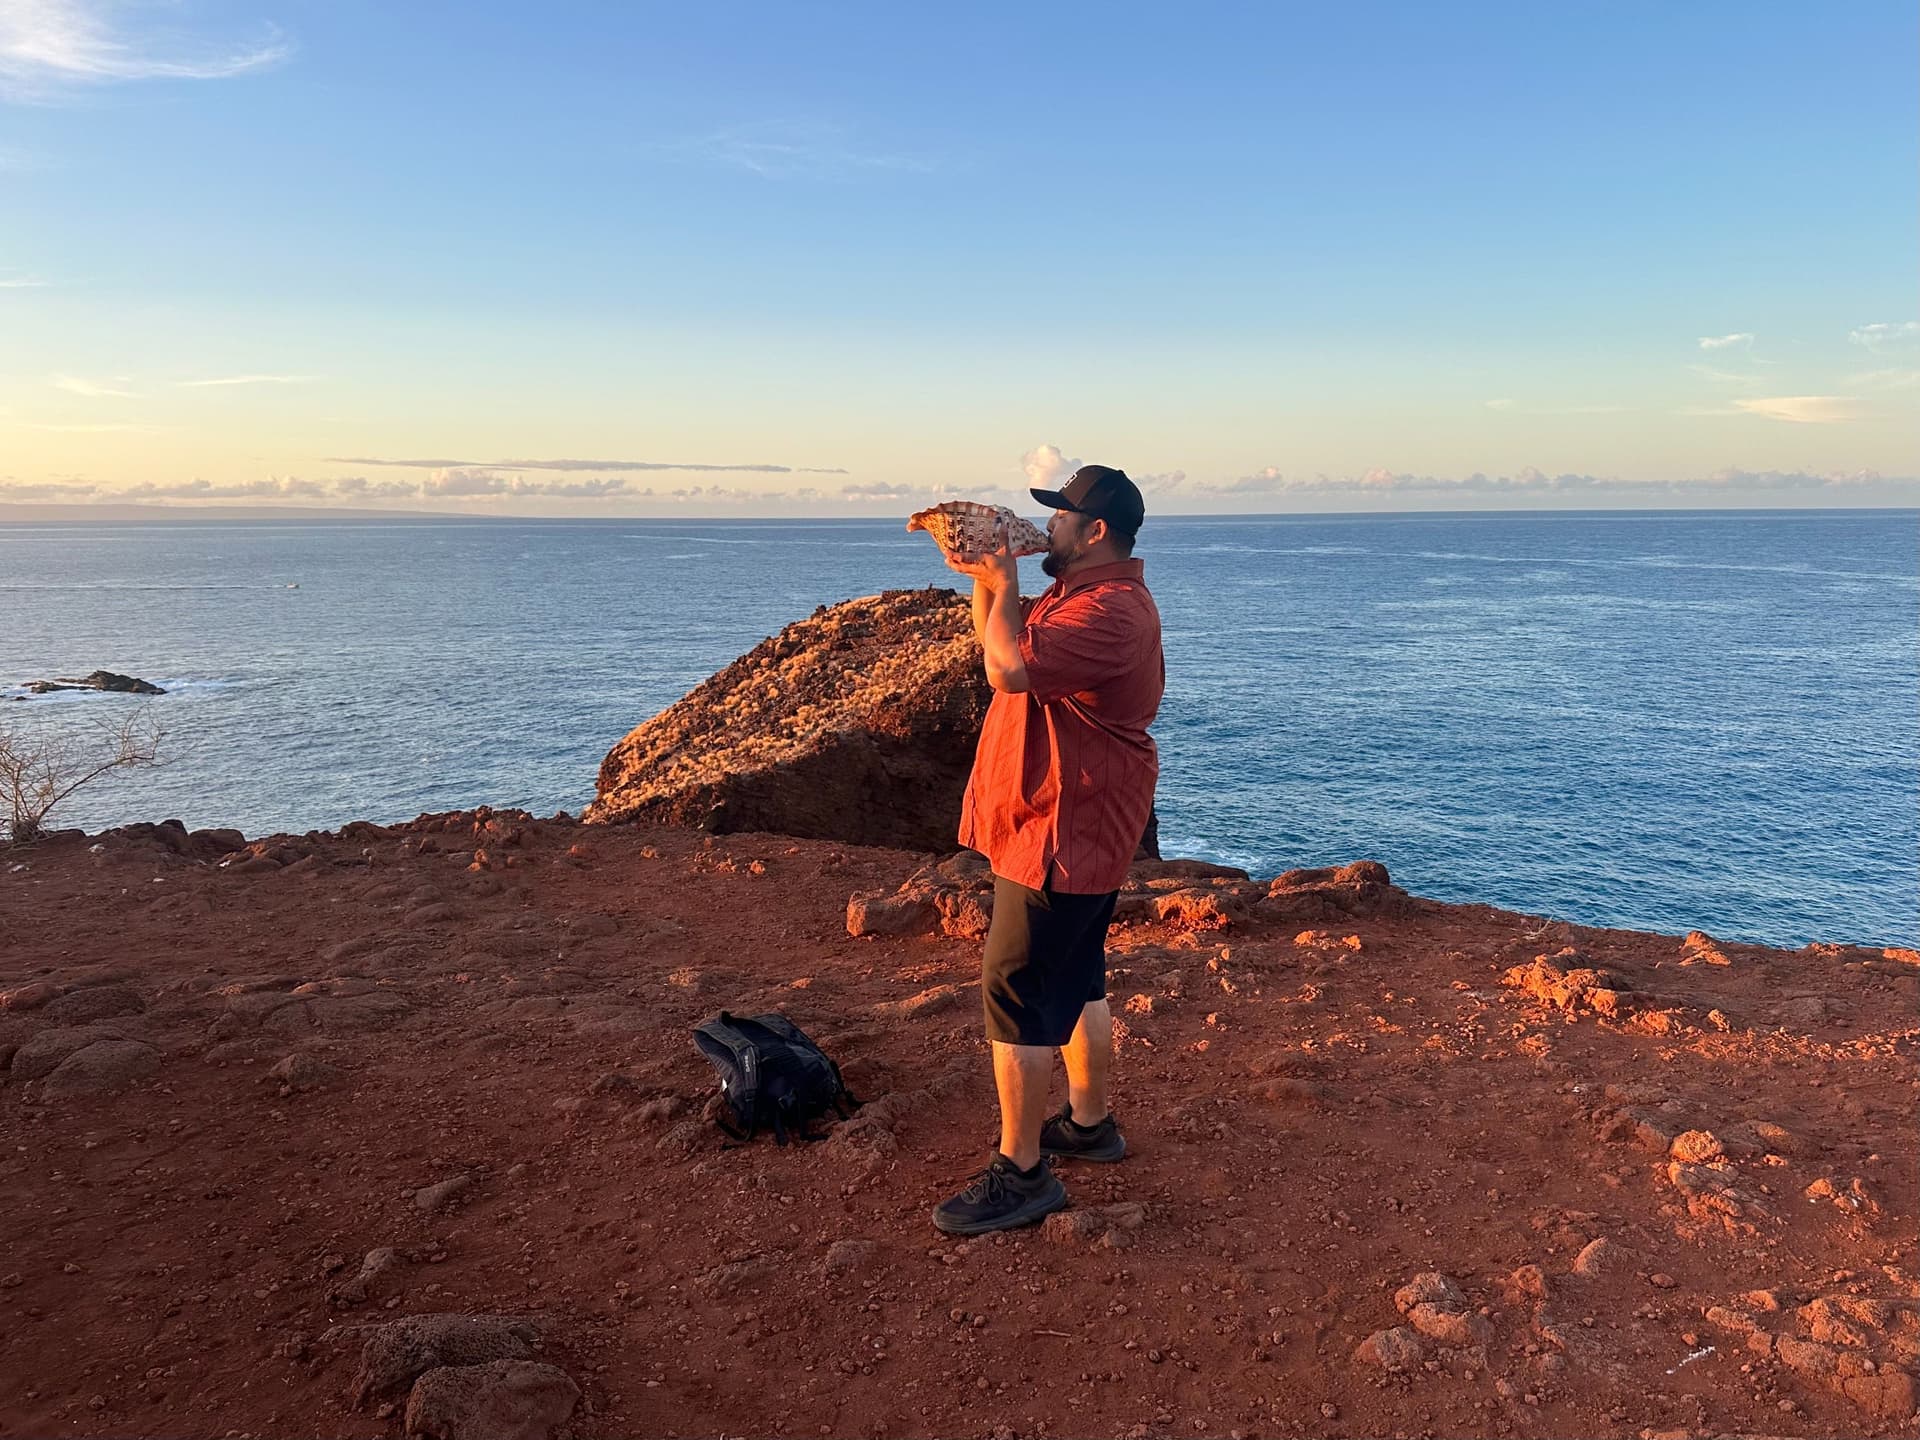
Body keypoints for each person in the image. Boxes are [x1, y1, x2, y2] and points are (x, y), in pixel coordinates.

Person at [932, 464, 1165, 1235]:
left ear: (1095, 531)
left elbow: (1008, 671)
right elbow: (995, 640)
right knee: (1077, 975)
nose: (1051, 526)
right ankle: (1088, 1125)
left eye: (1061, 516)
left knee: (1019, 991)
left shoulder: (1109, 611)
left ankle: (1023, 1172)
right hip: (1073, 823)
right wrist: (988, 580)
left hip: (1061, 830)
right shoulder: (1080, 595)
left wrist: (1003, 577)